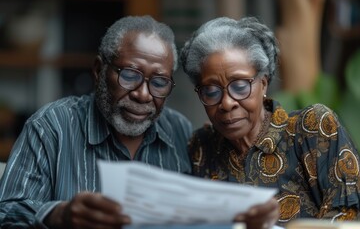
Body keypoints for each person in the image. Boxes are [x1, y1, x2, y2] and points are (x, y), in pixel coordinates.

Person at [0, 15, 278, 229]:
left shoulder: (179, 131)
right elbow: (5, 212)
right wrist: (58, 215)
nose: (144, 94)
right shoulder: (52, 127)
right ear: (99, 71)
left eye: (159, 83)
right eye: (130, 76)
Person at [179, 16, 360, 228]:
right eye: (211, 91)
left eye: (239, 86)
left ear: (263, 84)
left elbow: (348, 216)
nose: (227, 103)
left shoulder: (311, 128)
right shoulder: (201, 147)